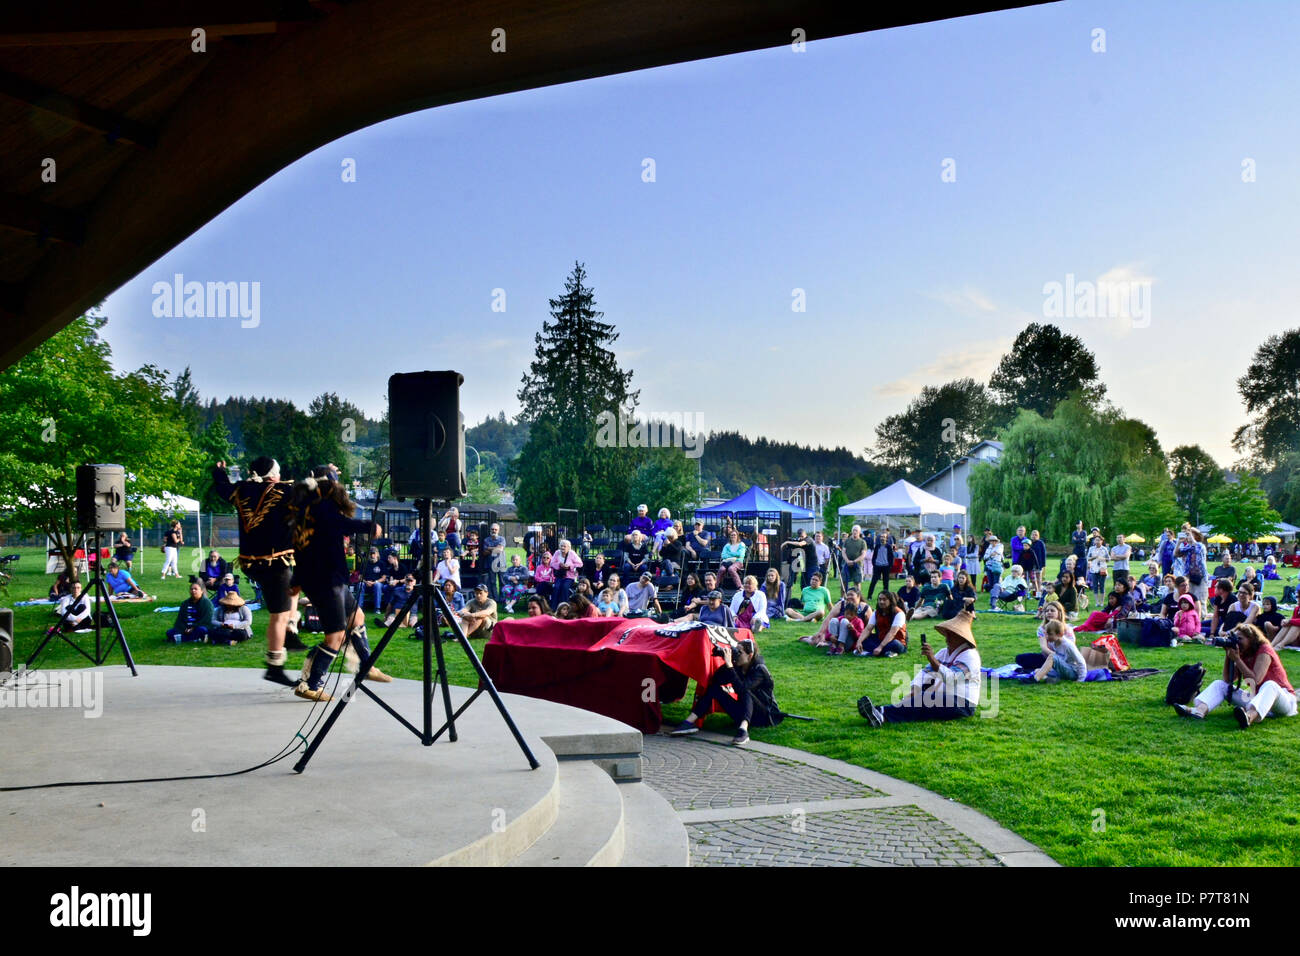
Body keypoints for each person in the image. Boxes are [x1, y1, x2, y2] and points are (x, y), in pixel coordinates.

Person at [288, 470, 391, 702]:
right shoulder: (321, 507)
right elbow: (338, 523)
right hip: (325, 581)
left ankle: (367, 666)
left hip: (325, 578)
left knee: (357, 617)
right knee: (334, 637)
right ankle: (310, 684)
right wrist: (369, 526)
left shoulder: (305, 509)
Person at [212, 457, 311, 687]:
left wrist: (218, 471)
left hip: (250, 564)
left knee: (294, 589)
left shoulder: (241, 489)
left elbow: (222, 488)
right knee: (278, 614)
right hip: (275, 563)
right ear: (273, 474)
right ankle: (275, 664)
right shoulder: (285, 490)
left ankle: (291, 628)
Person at [857, 610, 981, 725]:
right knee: (920, 698)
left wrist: (932, 659)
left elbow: (952, 679)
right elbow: (925, 673)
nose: (947, 638)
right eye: (947, 634)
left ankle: (882, 714)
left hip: (963, 703)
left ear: (961, 638)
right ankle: (880, 712)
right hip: (944, 696)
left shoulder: (970, 656)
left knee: (925, 699)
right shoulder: (944, 652)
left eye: (951, 635)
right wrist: (914, 689)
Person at [1175, 624, 1296, 728]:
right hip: (1257, 699)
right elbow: (1228, 680)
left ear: (1252, 639)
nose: (1237, 642)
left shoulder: (1264, 650)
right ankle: (1199, 711)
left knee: (1270, 685)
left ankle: (1249, 717)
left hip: (1282, 701)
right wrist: (1228, 655)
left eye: (1240, 639)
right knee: (1220, 685)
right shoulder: (1243, 652)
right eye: (1235, 639)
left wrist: (1237, 659)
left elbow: (1256, 680)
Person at [669, 636, 781, 746]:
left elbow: (742, 688)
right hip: (743, 712)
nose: (737, 655)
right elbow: (717, 679)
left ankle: (743, 730)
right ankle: (689, 722)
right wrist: (727, 660)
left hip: (764, 716)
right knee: (714, 688)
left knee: (746, 691)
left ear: (750, 655)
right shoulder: (738, 666)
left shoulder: (759, 670)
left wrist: (730, 666)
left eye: (739, 652)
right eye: (736, 651)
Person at [857, 590, 908, 657]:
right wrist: (859, 641)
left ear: (890, 601)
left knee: (895, 644)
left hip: (895, 641)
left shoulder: (899, 613)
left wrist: (880, 647)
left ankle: (870, 653)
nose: (881, 602)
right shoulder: (876, 613)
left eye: (884, 599)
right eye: (880, 599)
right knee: (864, 640)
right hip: (880, 640)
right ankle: (887, 653)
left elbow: (892, 633)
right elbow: (868, 629)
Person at [551, 539, 583, 606]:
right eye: (561, 546)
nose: (562, 548)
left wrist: (569, 566)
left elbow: (580, 564)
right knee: (556, 587)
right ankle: (554, 607)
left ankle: (565, 606)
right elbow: (552, 563)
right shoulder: (557, 552)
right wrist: (559, 565)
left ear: (569, 547)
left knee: (565, 587)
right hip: (559, 575)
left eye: (564, 546)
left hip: (569, 576)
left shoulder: (572, 553)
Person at [482, 523, 507, 601]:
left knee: (502, 582)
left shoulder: (502, 539)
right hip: (490, 563)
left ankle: (502, 599)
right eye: (492, 529)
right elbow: (484, 552)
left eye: (495, 529)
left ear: (498, 530)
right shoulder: (486, 540)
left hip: (501, 562)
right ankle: (495, 599)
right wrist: (496, 548)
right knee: (492, 582)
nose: (494, 531)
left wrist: (489, 548)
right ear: (490, 530)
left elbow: (500, 550)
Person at [866, 529, 892, 598]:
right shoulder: (877, 546)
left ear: (886, 538)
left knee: (885, 582)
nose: (882, 538)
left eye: (884, 537)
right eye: (881, 537)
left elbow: (891, 557)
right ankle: (869, 596)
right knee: (873, 581)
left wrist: (889, 565)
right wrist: (874, 563)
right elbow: (874, 555)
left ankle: (886, 596)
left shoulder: (888, 547)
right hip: (877, 566)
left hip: (886, 566)